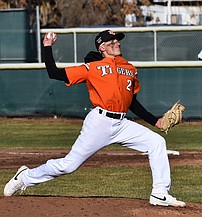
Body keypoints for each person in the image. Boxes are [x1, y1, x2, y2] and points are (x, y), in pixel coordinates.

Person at [3, 30, 186, 208]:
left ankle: (160, 193)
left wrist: (157, 122)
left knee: (156, 142)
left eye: (117, 41)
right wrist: (47, 47)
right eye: (111, 43)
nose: (117, 44)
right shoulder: (93, 68)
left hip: (121, 124)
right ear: (102, 48)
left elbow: (132, 103)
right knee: (68, 166)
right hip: (99, 122)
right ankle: (25, 177)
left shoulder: (129, 69)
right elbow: (53, 72)